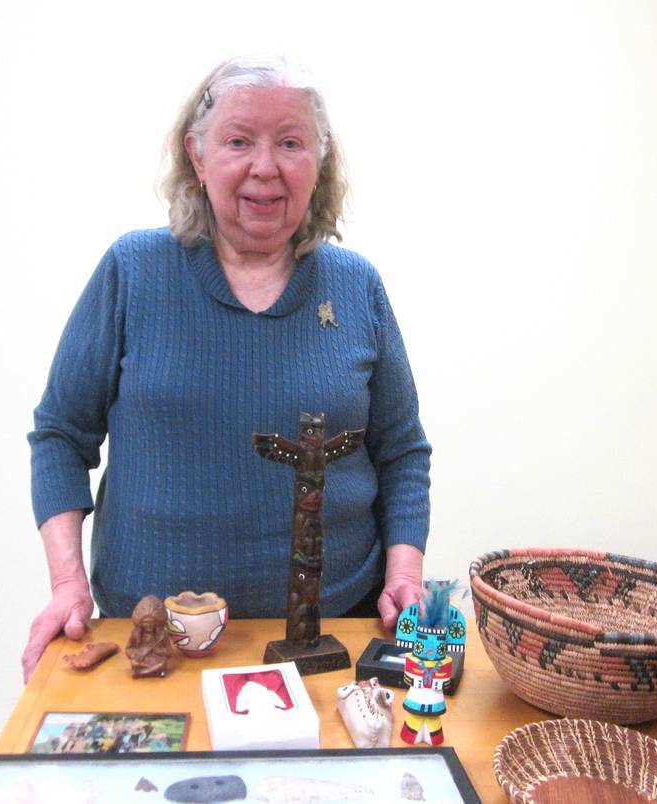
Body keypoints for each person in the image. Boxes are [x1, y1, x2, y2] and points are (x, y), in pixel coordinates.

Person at [22, 54, 431, 681]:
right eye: (239, 140)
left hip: (334, 636)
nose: (264, 167)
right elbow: (60, 436)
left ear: (319, 162)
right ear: (197, 155)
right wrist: (67, 583)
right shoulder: (134, 272)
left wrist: (403, 575)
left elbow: (402, 452)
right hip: (153, 638)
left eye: (290, 142)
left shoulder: (357, 288)